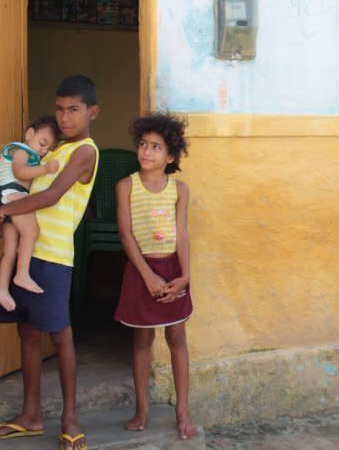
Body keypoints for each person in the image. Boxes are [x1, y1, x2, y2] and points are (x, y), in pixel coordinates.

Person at [0, 75, 99, 450]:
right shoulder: (52, 152)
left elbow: (52, 197)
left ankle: (70, 419)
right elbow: (28, 190)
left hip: (54, 258)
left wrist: (5, 209)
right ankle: (30, 415)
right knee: (27, 332)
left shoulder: (86, 152)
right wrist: (3, 214)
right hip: (28, 255)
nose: (65, 118)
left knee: (60, 337)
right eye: (60, 109)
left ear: (92, 112)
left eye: (74, 110)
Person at [113, 112, 197, 440]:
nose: (147, 152)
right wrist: (147, 276)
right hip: (141, 270)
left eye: (156, 147)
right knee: (142, 339)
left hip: (173, 270)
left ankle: (183, 411)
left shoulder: (180, 189)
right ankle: (142, 408)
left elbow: (183, 235)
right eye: (144, 145)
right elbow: (125, 234)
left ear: (170, 157)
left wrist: (185, 276)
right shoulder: (125, 186)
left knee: (177, 338)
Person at [0, 116, 61, 312]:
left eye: (48, 149)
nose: (43, 150)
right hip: (11, 193)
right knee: (31, 232)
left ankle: (2, 288)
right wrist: (45, 169)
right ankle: (22, 274)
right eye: (42, 143)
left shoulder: (33, 155)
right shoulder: (21, 150)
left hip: (8, 197)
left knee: (11, 248)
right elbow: (20, 172)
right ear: (29, 134)